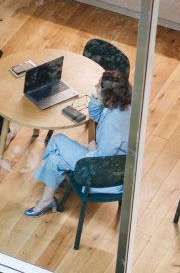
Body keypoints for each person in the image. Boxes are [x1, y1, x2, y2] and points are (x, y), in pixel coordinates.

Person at [25, 71, 132, 217]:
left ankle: (56, 177)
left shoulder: (113, 122)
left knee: (57, 141)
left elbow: (102, 158)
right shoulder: (124, 105)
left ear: (108, 94)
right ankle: (46, 200)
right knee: (54, 159)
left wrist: (91, 147)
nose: (95, 86)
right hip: (111, 167)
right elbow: (96, 116)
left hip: (104, 176)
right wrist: (96, 97)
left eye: (99, 86)